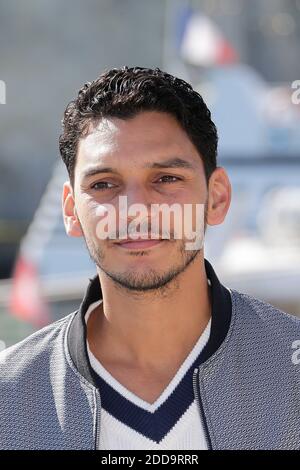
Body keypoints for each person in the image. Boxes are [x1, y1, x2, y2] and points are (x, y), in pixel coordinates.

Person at [0, 67, 299, 450]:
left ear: (217, 197)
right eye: (104, 184)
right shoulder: (10, 400)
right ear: (71, 210)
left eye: (166, 179)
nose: (136, 209)